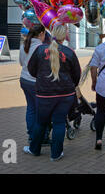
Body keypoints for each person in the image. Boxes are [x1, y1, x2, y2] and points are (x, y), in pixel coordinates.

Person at [24, 25, 81, 161]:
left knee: (40, 122)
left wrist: (42, 78)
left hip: (45, 93)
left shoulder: (40, 50)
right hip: (65, 94)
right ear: (64, 35)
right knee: (59, 123)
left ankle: (34, 149)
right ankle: (56, 154)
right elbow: (76, 75)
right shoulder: (69, 52)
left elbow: (31, 70)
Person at [19, 25, 50, 145]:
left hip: (24, 80)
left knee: (31, 108)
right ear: (41, 34)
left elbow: (21, 63)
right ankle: (41, 137)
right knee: (41, 111)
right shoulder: (41, 48)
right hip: (36, 82)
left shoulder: (24, 46)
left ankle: (32, 135)